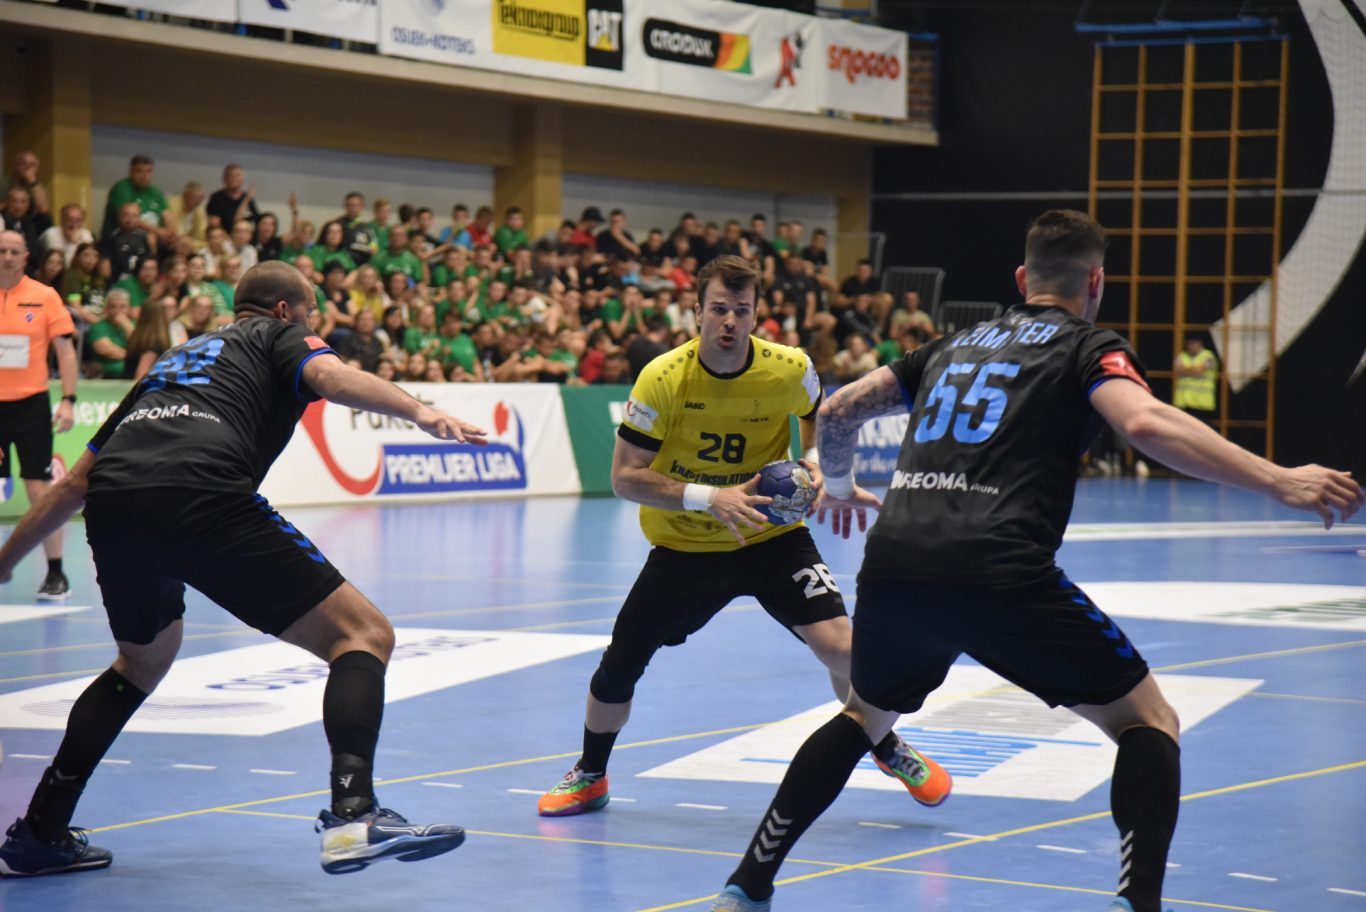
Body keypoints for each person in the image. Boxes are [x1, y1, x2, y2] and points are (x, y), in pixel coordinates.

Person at [705, 210, 1365, 912]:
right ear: (1096, 282)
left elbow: (838, 411)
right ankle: (1138, 903)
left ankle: (748, 884)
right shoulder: (1087, 345)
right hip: (998, 567)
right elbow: (1143, 421)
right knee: (1147, 721)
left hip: (896, 562)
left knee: (865, 713)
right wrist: (1277, 479)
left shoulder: (950, 345)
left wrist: (836, 487)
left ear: (1022, 279)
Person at [0, 260, 486, 878]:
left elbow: (75, 483)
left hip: (116, 505)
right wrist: (421, 412)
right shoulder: (280, 335)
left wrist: (4, 562)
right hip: (203, 492)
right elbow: (332, 378)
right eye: (310, 313)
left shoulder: (175, 359)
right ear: (285, 310)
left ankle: (40, 831)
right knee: (363, 634)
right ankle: (354, 815)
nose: (313, 324)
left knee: (139, 664)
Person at [535, 255, 949, 818]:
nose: (729, 320)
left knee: (845, 649)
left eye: (741, 310)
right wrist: (711, 497)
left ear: (756, 314)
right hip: (687, 545)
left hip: (773, 538)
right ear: (697, 311)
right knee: (620, 665)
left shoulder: (789, 367)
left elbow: (817, 416)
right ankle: (590, 774)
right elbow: (625, 478)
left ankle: (886, 744)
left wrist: (816, 465)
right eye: (718, 309)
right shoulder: (663, 378)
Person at [0, 230, 79, 599]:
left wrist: (69, 399)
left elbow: (65, 351)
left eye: (14, 251)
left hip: (31, 405)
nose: (7, 257)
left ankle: (56, 573)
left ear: (26, 256)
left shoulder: (45, 296)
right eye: (2, 250)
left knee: (39, 490)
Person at [1173, 334, 1218, 423]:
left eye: (1194, 343)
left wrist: (1186, 369)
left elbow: (1198, 372)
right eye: (1189, 343)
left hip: (1202, 404)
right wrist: (1193, 369)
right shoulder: (1181, 356)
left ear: (1200, 343)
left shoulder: (1208, 356)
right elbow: (1178, 370)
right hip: (1183, 403)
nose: (1191, 346)